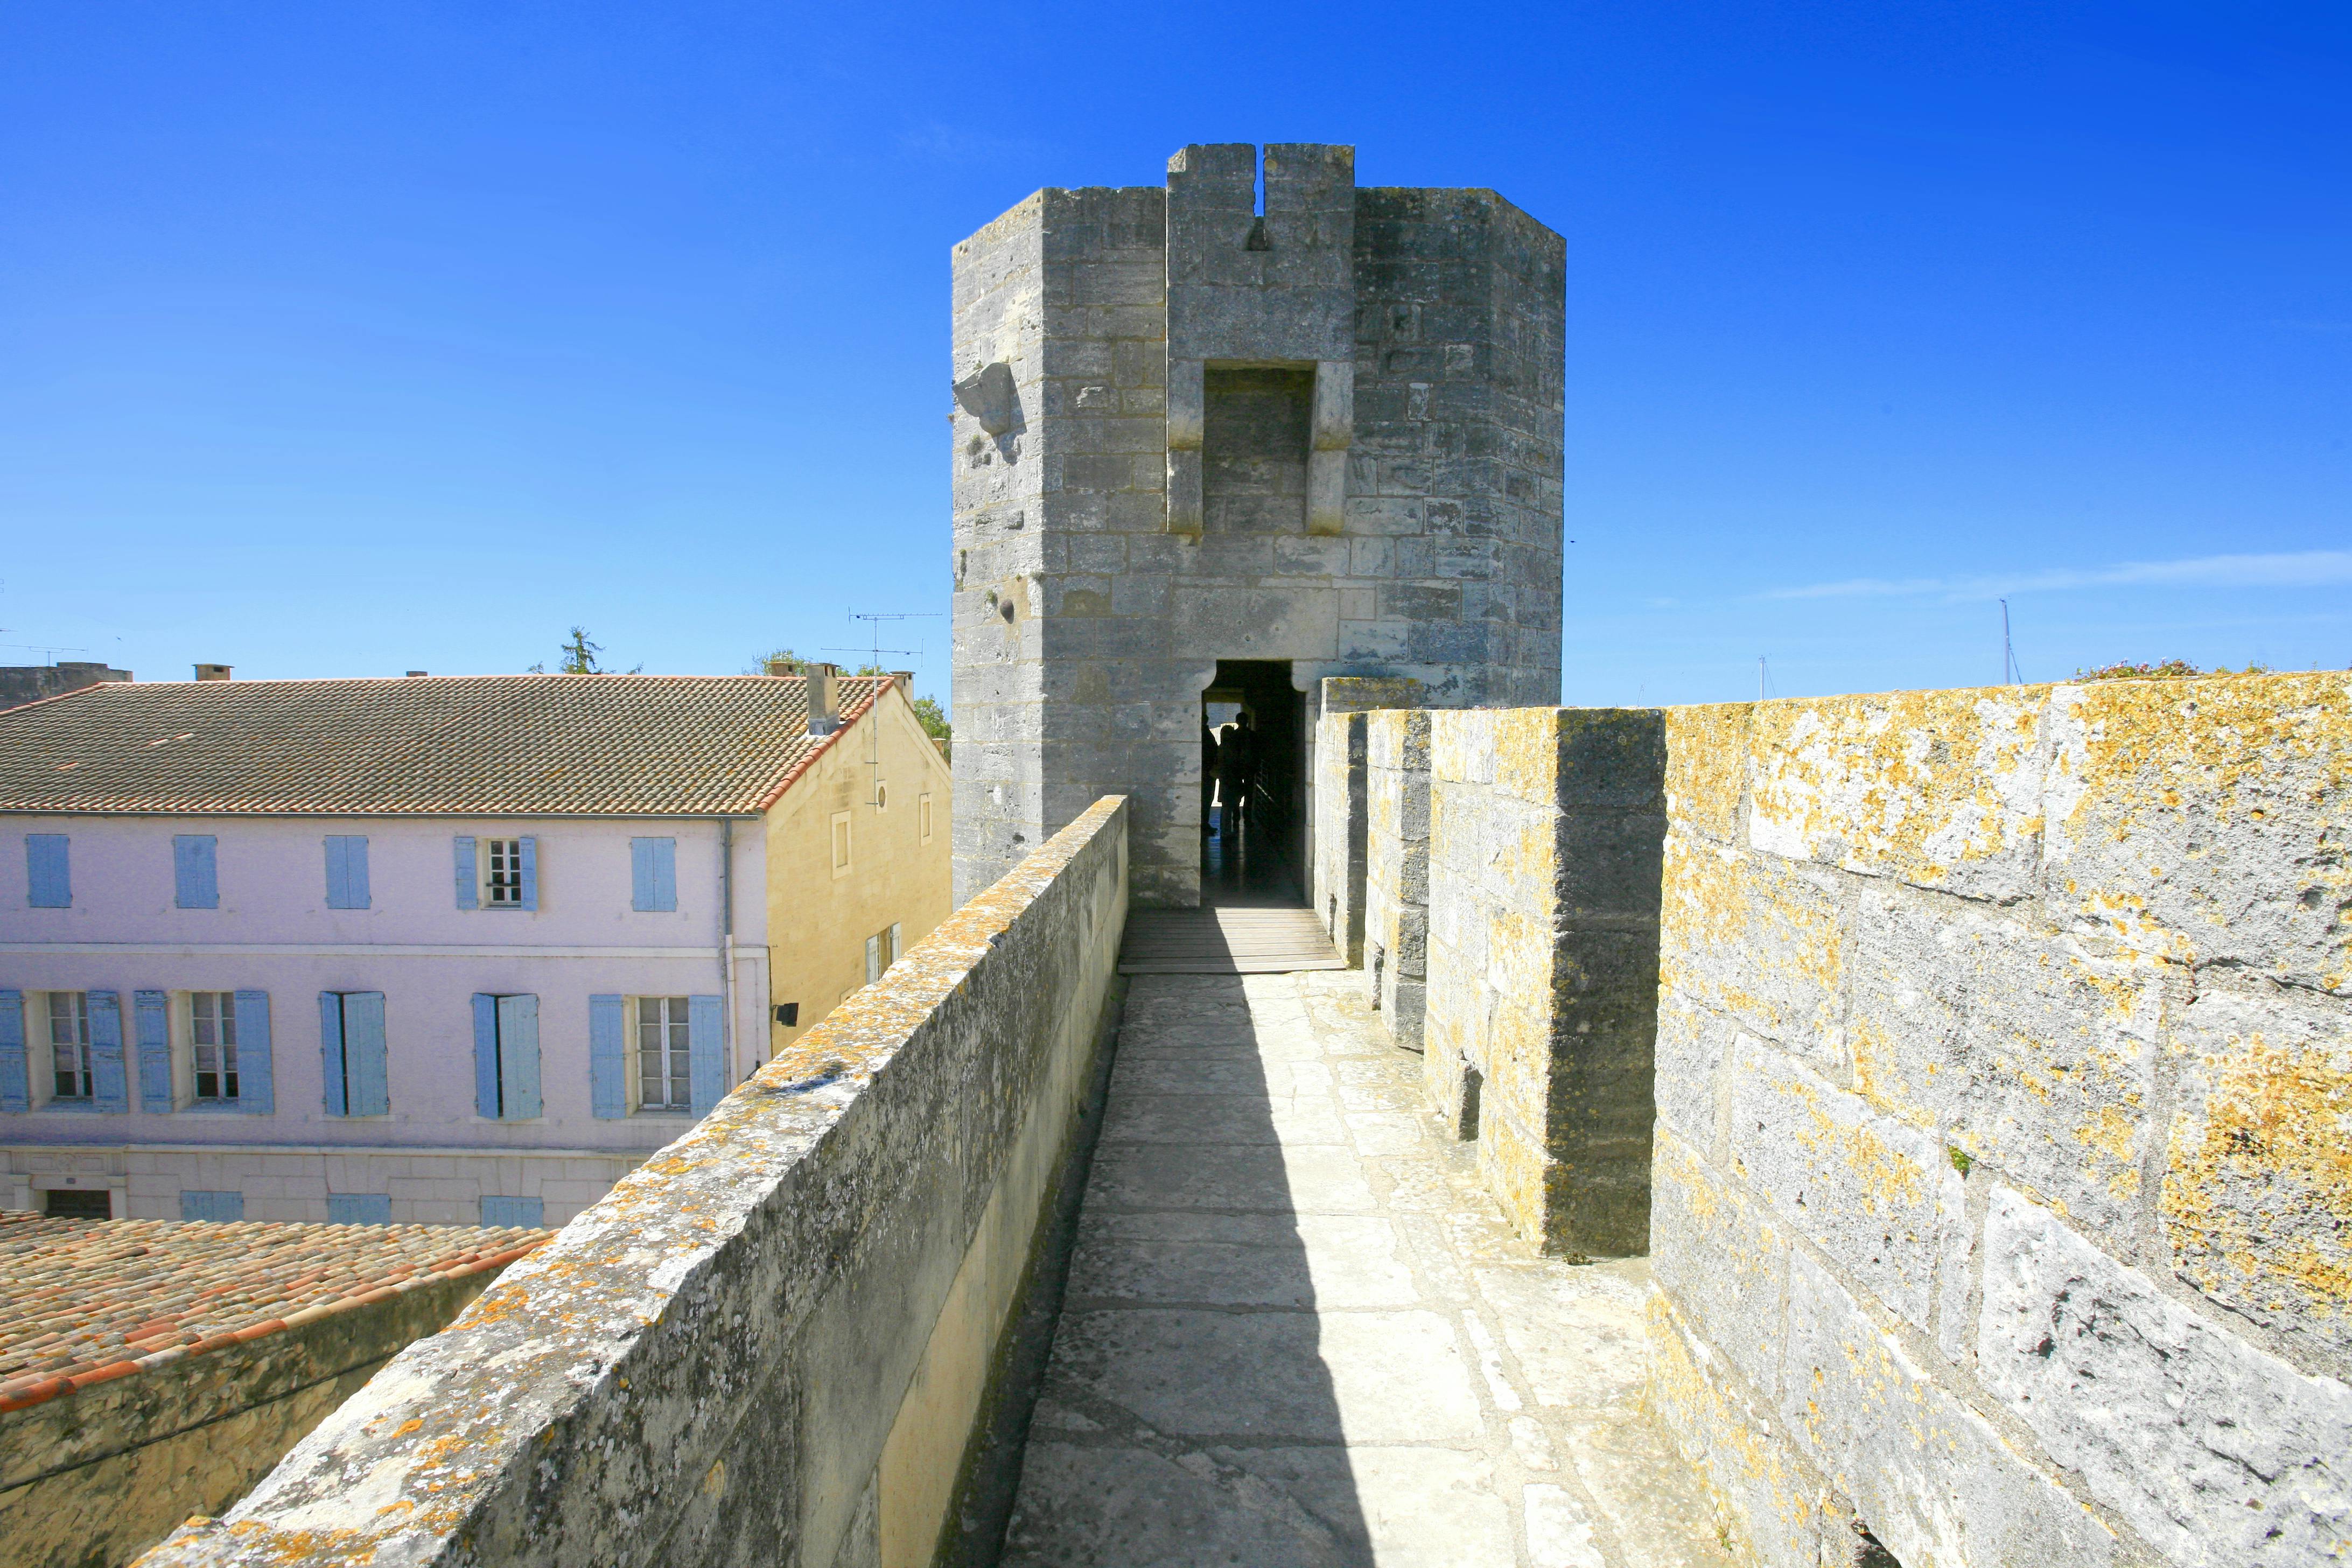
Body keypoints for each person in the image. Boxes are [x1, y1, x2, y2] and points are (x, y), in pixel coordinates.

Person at [1216, 710, 1256, 840]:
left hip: (1234, 774)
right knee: (1242, 796)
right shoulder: (1251, 736)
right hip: (1241, 771)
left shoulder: (1233, 738)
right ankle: (1245, 818)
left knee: (1233, 800)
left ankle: (1236, 818)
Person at [1200, 716, 1220, 834]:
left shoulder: (1204, 734)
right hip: (1207, 772)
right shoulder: (1206, 734)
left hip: (1205, 771)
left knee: (1206, 799)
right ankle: (1204, 824)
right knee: (1206, 799)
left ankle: (1204, 823)